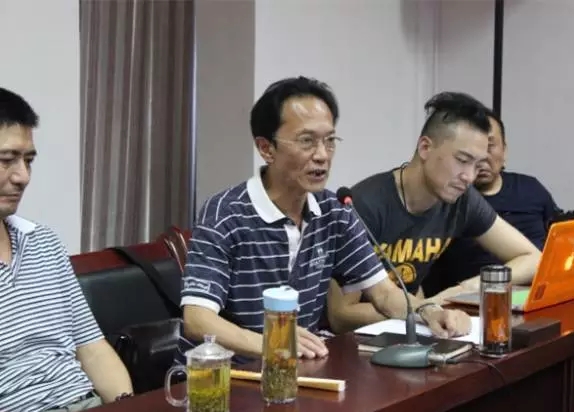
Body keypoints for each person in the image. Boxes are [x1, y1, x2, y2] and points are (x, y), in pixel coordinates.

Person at [177, 77, 471, 364]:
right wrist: (275, 345)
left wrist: (430, 312)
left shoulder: (334, 211)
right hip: (227, 376)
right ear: (266, 148)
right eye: (307, 141)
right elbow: (197, 318)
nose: (322, 155)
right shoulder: (225, 213)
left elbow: (383, 294)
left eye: (329, 141)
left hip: (298, 369)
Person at [327, 92, 542, 334]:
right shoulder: (365, 205)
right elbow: (341, 315)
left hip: (412, 327)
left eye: (477, 165)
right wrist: (427, 310)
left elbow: (532, 258)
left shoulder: (461, 198)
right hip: (357, 341)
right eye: (462, 160)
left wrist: (464, 290)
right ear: (425, 147)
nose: (470, 176)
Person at [0, 87, 133, 412]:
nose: (22, 177)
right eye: (6, 160)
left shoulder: (43, 243)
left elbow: (92, 349)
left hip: (87, 410)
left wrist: (127, 410)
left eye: (28, 161)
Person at [422, 110, 559, 293]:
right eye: (467, 155)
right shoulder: (450, 199)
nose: (482, 158)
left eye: (489, 146)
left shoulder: (531, 188)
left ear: (504, 150)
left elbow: (551, 245)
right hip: (472, 301)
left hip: (535, 292)